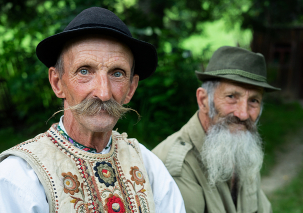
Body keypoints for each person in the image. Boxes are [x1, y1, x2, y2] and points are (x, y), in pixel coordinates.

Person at [0, 7, 185, 213]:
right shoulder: (21, 176)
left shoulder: (148, 166)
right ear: (57, 82)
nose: (103, 93)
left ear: (131, 88)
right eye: (85, 71)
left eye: (117, 73)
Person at [153, 46, 280, 213]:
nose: (243, 114)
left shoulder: (242, 149)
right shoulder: (176, 167)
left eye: (254, 101)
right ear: (203, 100)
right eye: (231, 97)